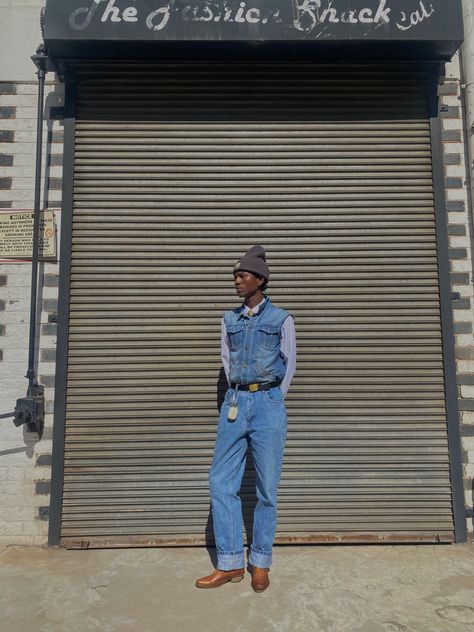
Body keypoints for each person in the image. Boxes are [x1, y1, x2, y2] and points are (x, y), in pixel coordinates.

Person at [195, 245, 296, 592]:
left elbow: (290, 364)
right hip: (235, 402)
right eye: (235, 276)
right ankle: (229, 563)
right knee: (221, 481)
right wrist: (239, 393)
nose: (237, 281)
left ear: (260, 279)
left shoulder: (281, 319)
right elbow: (227, 361)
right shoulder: (229, 320)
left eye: (243, 275)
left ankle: (261, 562)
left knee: (266, 488)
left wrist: (270, 398)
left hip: (268, 403)